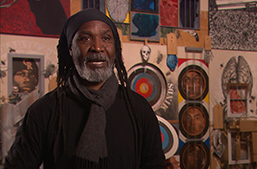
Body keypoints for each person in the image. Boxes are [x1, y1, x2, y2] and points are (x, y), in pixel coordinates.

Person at [4, 8, 166, 169]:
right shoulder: (44, 111)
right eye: (86, 38)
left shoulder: (138, 109)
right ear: (70, 49)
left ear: (115, 49)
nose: (97, 47)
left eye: (106, 38)